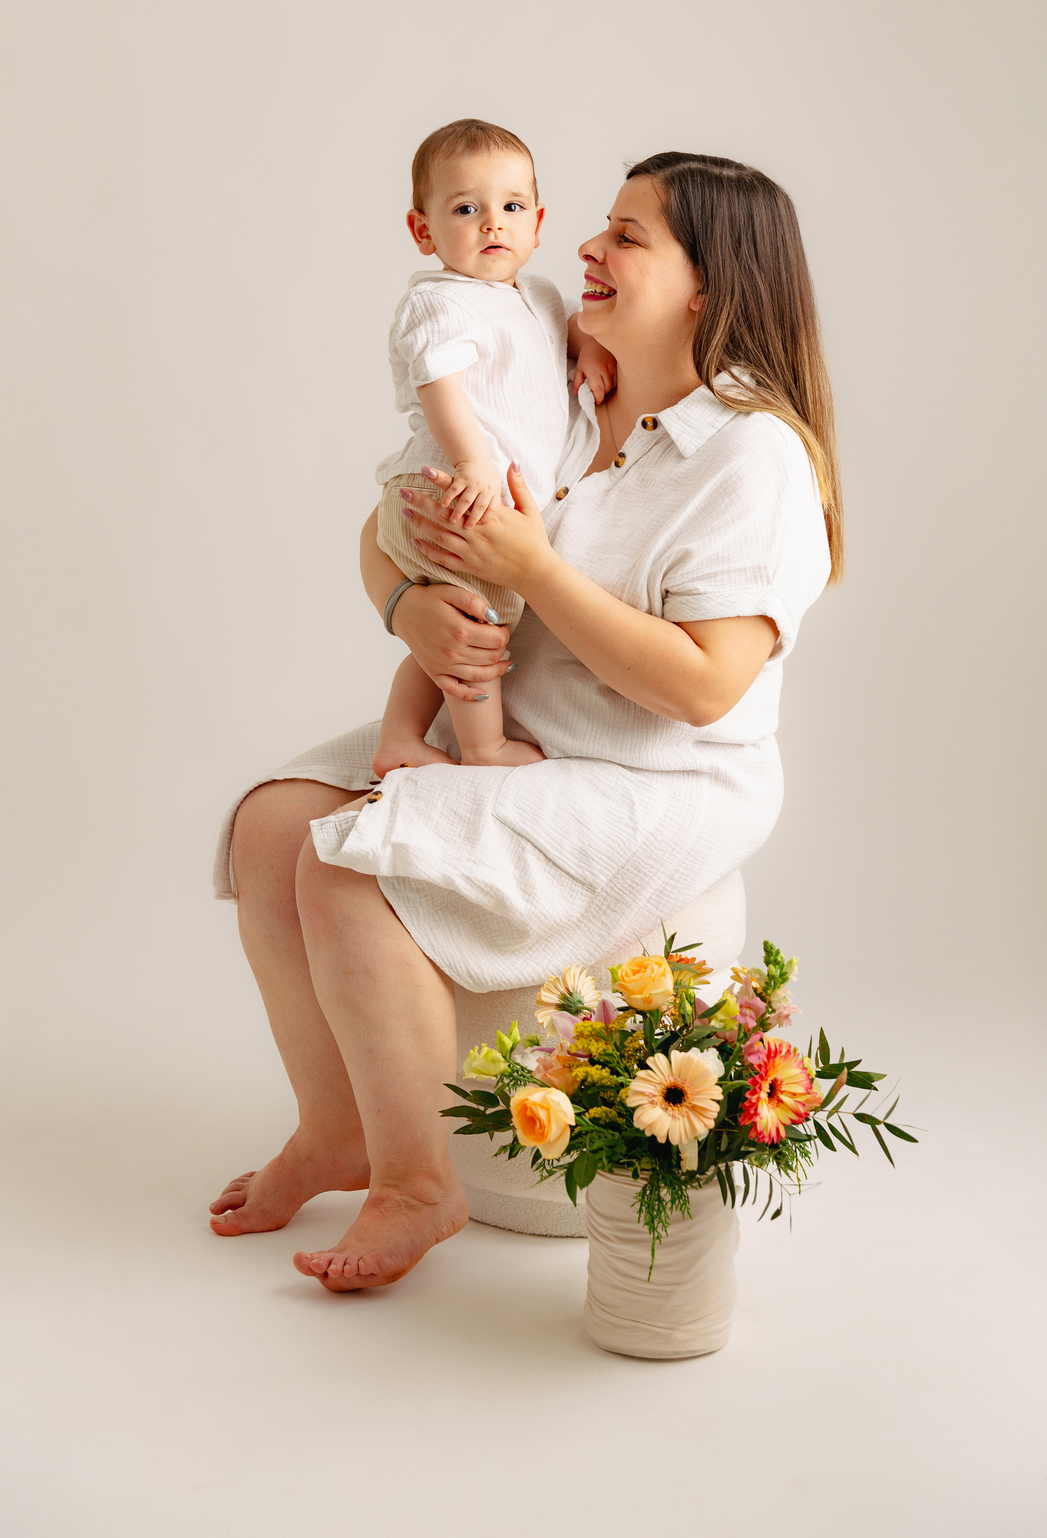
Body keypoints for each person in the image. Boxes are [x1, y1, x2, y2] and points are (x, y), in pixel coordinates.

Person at [209, 151, 843, 1294]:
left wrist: (532, 570)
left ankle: (418, 1185)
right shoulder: (568, 379)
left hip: (651, 775)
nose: (586, 247)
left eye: (628, 235)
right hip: (512, 724)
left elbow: (708, 687)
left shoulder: (751, 455)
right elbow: (392, 521)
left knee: (345, 870)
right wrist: (408, 607)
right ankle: (336, 1128)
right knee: (271, 826)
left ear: (707, 284)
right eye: (599, 225)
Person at [371, 117, 616, 775]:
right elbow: (439, 385)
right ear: (423, 231)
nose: (491, 225)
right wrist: (472, 462)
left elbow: (560, 331)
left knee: (457, 629)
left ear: (537, 222)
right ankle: (483, 747)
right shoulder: (440, 304)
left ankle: (401, 737)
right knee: (479, 625)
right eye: (465, 209)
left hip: (480, 489)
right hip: (451, 485)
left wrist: (588, 345)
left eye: (511, 207)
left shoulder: (536, 293)